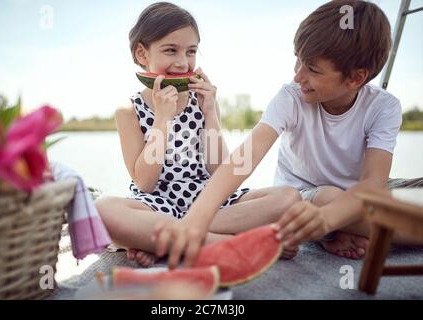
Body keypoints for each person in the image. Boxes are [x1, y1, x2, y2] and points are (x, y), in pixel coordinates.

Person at [153, 0, 422, 269]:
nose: (298, 76)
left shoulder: (384, 106)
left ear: (355, 79)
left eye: (312, 70)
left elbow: (372, 184)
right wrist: (196, 218)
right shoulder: (291, 98)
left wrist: (329, 220)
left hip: (357, 199)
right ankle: (339, 229)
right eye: (298, 61)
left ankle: (338, 230)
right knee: (329, 198)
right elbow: (244, 159)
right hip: (306, 197)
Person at [95, 2, 300, 267]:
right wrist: (162, 119)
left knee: (288, 199)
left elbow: (220, 172)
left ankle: (168, 241)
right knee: (102, 211)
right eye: (171, 50)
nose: (182, 63)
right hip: (157, 205)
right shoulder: (128, 110)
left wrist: (211, 111)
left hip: (209, 202)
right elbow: (145, 183)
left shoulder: (200, 100)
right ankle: (225, 243)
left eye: (191, 52)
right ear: (142, 53)